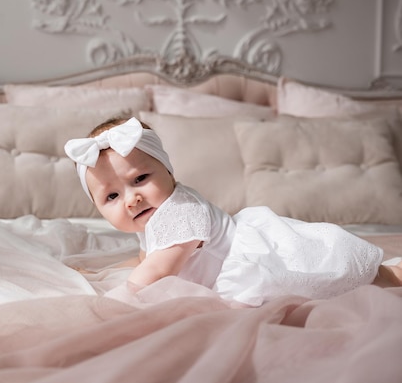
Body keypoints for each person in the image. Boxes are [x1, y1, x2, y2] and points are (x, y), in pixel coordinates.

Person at [64, 116, 402, 306]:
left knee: (359, 282)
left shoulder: (180, 212)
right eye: (111, 196)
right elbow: (144, 260)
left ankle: (393, 275)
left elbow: (155, 271)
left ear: (169, 171)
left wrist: (111, 303)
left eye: (140, 178)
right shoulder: (151, 220)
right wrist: (100, 270)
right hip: (238, 264)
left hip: (264, 256)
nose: (131, 199)